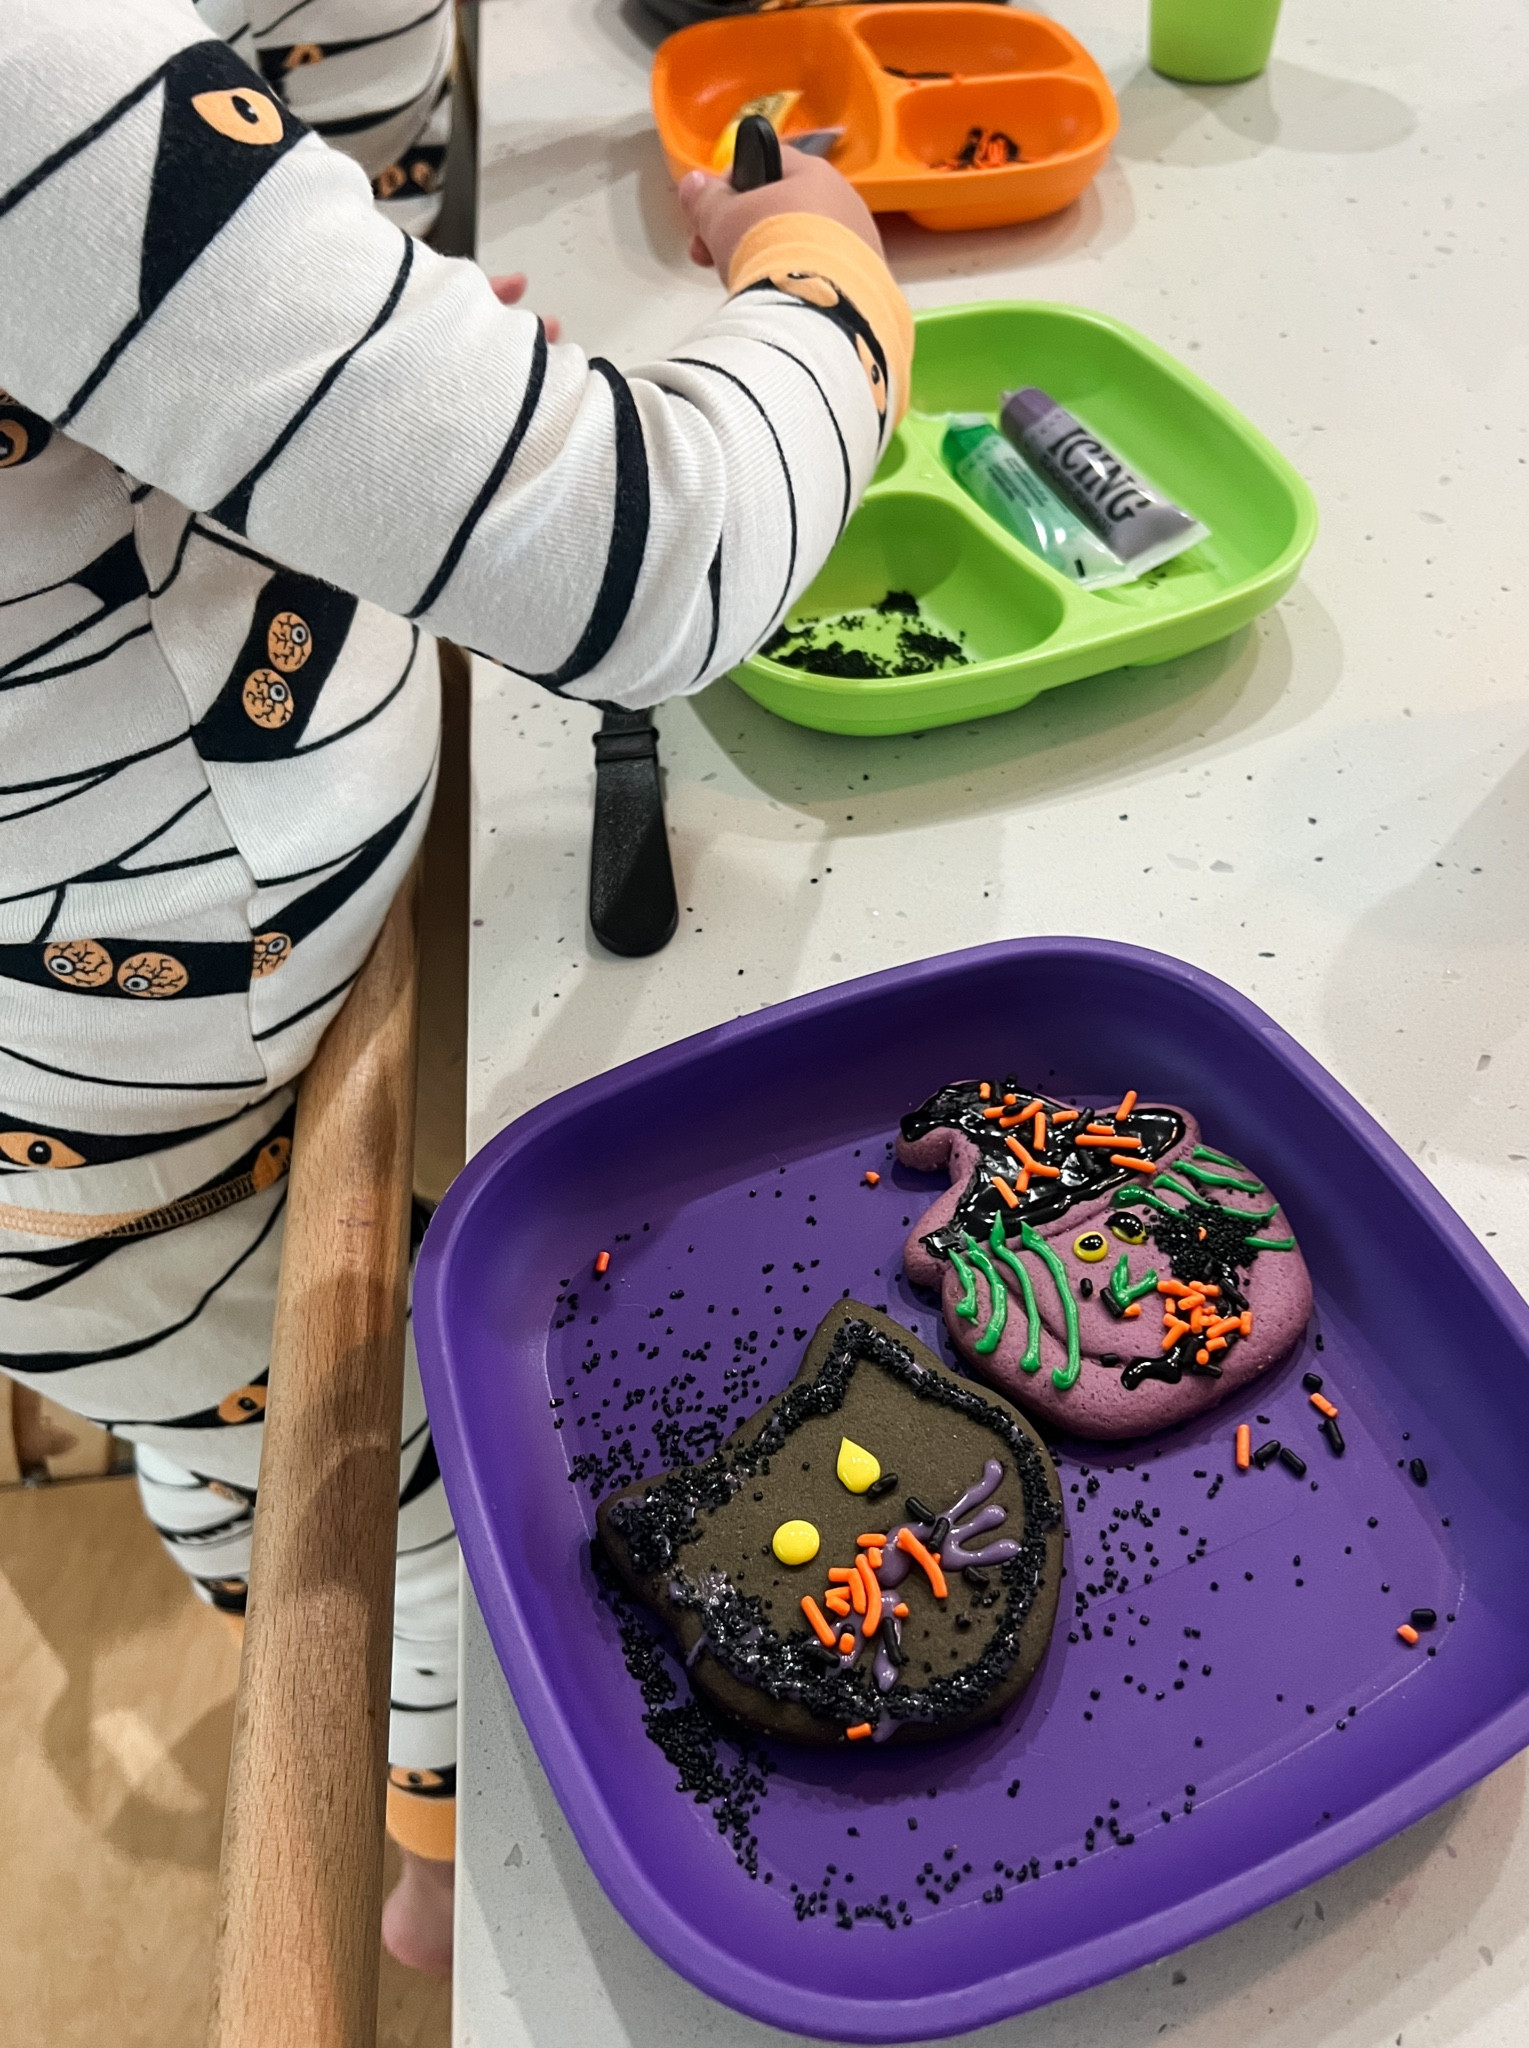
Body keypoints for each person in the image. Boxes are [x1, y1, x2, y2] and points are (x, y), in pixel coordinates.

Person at [0, 0, 910, 1976]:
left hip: (152, 1044)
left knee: (232, 1408)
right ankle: (430, 1851)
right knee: (385, 1481)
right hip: (92, 1126)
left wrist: (349, 337)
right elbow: (658, 556)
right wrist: (831, 283)